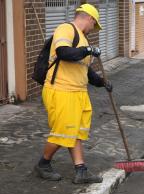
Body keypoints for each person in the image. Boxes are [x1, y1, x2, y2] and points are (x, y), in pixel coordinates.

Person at [34, 4, 112, 184]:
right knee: (63, 132)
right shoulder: (66, 29)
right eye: (95, 25)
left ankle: (81, 170)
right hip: (61, 90)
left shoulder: (83, 40)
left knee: (76, 133)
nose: (93, 29)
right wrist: (88, 50)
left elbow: (85, 71)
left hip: (78, 92)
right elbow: (64, 52)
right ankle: (43, 164)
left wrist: (102, 82)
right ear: (90, 19)